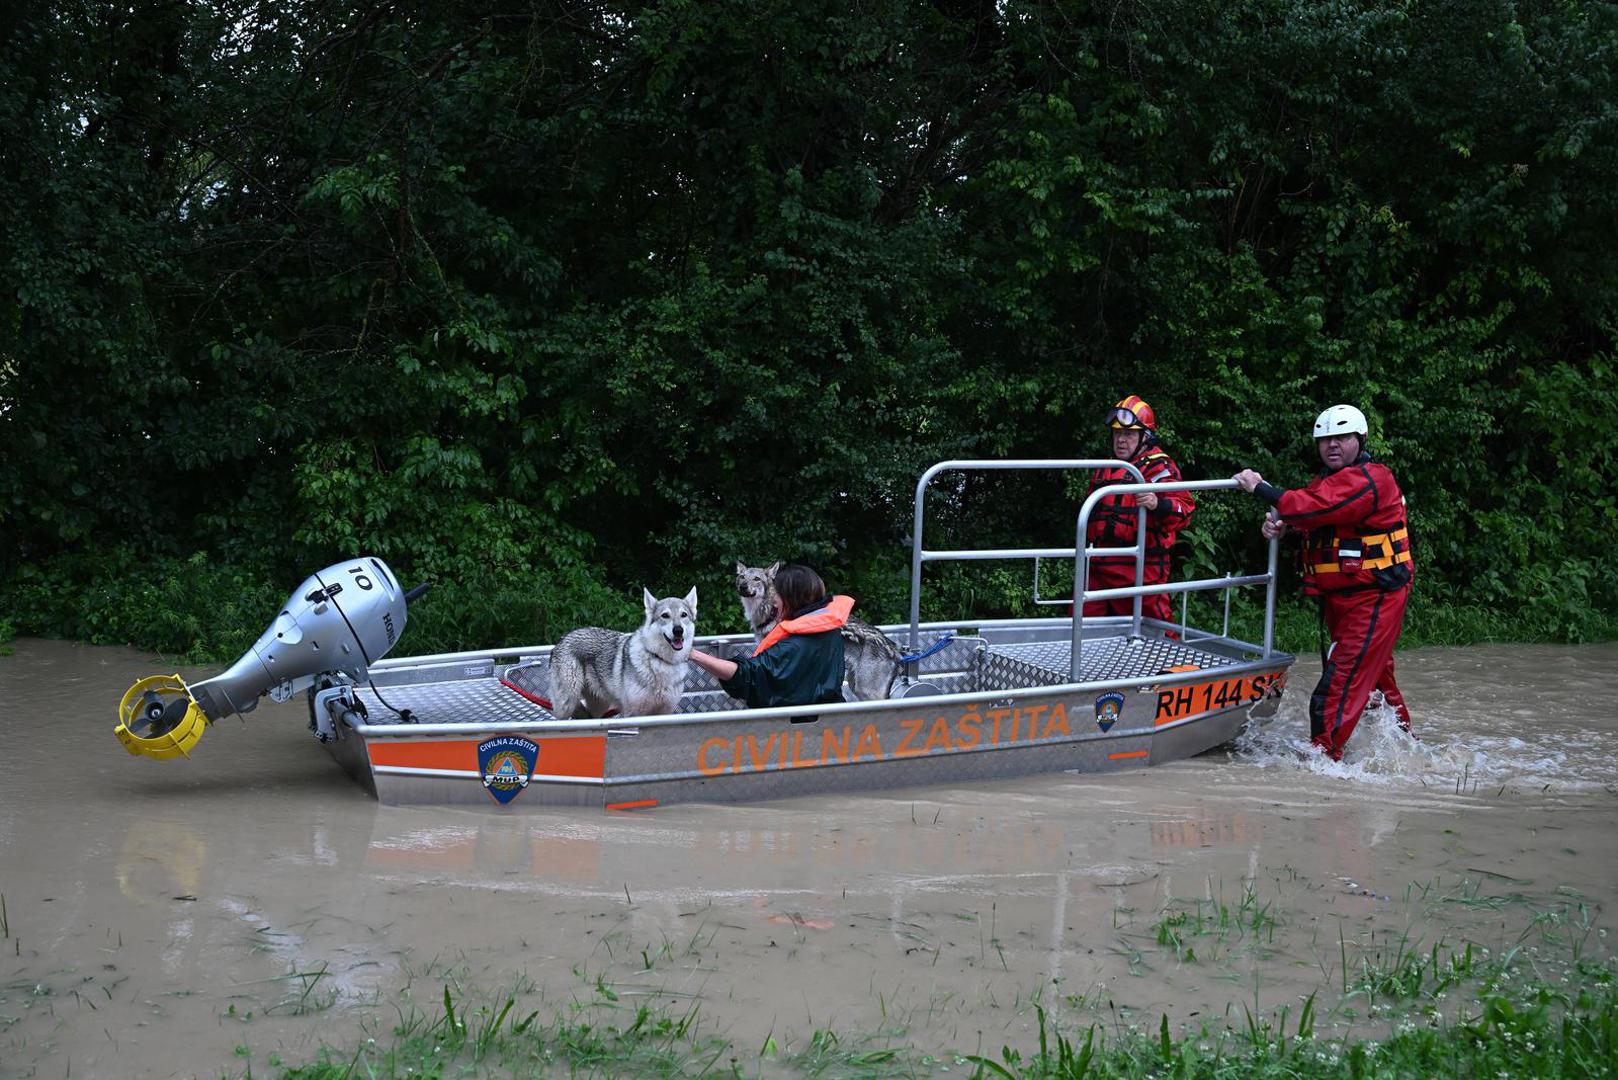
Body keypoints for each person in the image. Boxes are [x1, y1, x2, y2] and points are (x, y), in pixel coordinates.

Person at [1233, 404, 1414, 760]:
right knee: (1375, 678)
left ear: (1359, 441)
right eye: (1325, 439)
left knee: (1338, 684)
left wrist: (1261, 489)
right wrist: (1283, 527)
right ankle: (1407, 749)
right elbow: (1314, 517)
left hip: (1374, 594)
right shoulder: (1330, 482)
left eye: (1342, 438)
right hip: (1344, 598)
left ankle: (1320, 762)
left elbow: (1314, 506)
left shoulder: (1373, 478)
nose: (1332, 445)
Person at [1081, 395, 1196, 628]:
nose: (1121, 440)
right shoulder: (1108, 468)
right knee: (1082, 628)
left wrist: (1157, 504)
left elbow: (1185, 510)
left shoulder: (1159, 468)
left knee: (1156, 633)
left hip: (1141, 571)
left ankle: (1178, 666)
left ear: (1145, 437)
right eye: (1117, 434)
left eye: (1129, 435)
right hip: (1097, 569)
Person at [689, 564, 849, 708]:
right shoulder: (832, 632)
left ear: (791, 599)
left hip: (797, 729)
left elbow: (747, 677)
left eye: (777, 595)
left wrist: (693, 654)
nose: (774, 602)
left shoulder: (792, 646)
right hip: (832, 722)